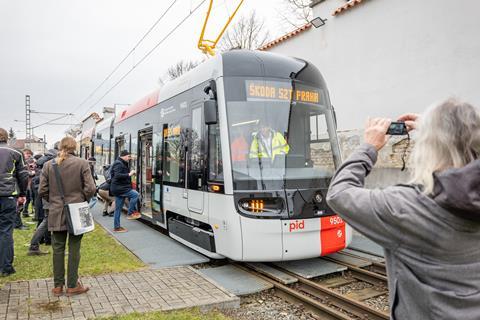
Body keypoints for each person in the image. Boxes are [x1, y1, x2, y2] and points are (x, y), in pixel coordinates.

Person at [326, 98, 480, 319]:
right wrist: (438, 130)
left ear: (427, 148)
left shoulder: (407, 208)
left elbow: (340, 193)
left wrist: (369, 147)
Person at [39, 136, 96, 296]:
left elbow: (42, 190)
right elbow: (91, 188)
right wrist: (82, 199)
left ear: (60, 147)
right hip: (77, 210)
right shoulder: (82, 163)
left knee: (57, 249)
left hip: (56, 212)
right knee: (74, 249)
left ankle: (57, 286)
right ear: (74, 147)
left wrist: (54, 202)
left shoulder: (48, 165)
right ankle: (72, 285)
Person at [0, 128, 28, 277]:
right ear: (6, 138)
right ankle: (5, 267)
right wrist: (22, 193)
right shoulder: (16, 153)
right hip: (8, 195)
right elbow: (23, 175)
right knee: (5, 231)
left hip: (7, 195)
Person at [28, 146, 59, 255]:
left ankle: (36, 245)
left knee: (47, 222)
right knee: (47, 222)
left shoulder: (43, 164)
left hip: (46, 197)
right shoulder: (51, 165)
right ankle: (34, 246)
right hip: (50, 198)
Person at [110, 150, 140, 233]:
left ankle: (117, 227)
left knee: (118, 209)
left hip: (119, 188)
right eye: (129, 156)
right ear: (124, 156)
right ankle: (130, 213)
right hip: (120, 188)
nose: (129, 158)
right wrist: (129, 174)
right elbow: (117, 175)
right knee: (135, 194)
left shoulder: (120, 162)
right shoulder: (118, 163)